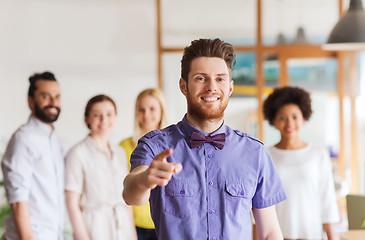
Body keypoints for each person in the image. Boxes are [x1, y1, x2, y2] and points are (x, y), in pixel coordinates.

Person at [123, 38, 287, 240]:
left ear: (230, 88)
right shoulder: (154, 145)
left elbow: (270, 232)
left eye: (220, 79)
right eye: (201, 78)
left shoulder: (255, 153)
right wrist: (144, 179)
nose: (211, 87)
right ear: (184, 86)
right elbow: (131, 194)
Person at [263, 86, 339, 240]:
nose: (289, 123)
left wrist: (332, 237)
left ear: (304, 119)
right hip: (278, 236)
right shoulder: (266, 156)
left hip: (312, 236)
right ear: (274, 121)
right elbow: (261, 205)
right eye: (282, 117)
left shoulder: (318, 154)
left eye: (294, 117)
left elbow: (327, 202)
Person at [1, 71, 64, 240]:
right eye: (46, 96)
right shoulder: (23, 139)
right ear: (30, 101)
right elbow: (17, 201)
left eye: (57, 96)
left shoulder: (55, 140)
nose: (53, 102)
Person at [65, 94, 137, 240]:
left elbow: (126, 198)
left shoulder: (119, 152)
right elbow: (72, 203)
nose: (104, 120)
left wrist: (133, 234)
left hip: (123, 227)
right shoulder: (77, 153)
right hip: (95, 228)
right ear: (87, 119)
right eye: (97, 115)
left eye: (109, 114)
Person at [120, 88, 167, 240]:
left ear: (161, 111)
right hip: (135, 226)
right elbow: (122, 190)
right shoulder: (124, 147)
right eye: (142, 109)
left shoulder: (173, 146)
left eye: (152, 109)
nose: (146, 115)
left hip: (165, 224)